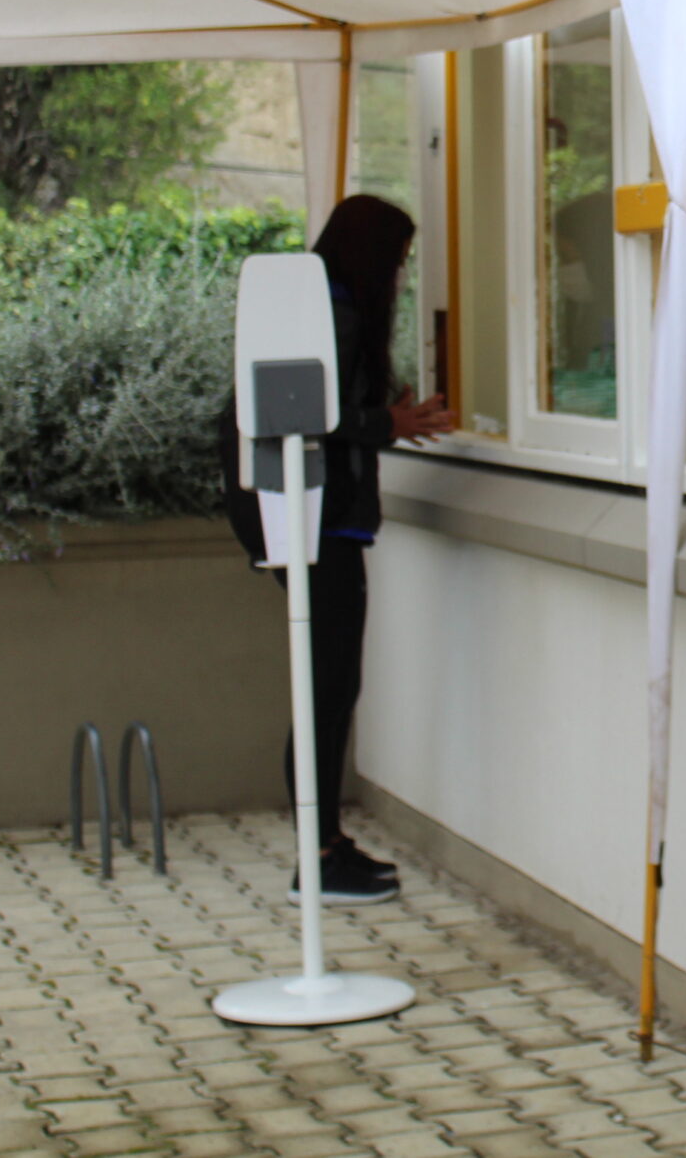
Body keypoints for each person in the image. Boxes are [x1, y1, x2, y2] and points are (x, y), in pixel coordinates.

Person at [223, 193, 454, 904]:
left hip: (300, 521)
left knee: (324, 687)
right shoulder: (336, 308)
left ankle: (322, 844)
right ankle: (318, 859)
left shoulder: (310, 302)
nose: (403, 277)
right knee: (327, 689)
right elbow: (307, 415)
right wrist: (388, 422)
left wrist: (384, 418)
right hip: (320, 525)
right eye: (401, 261)